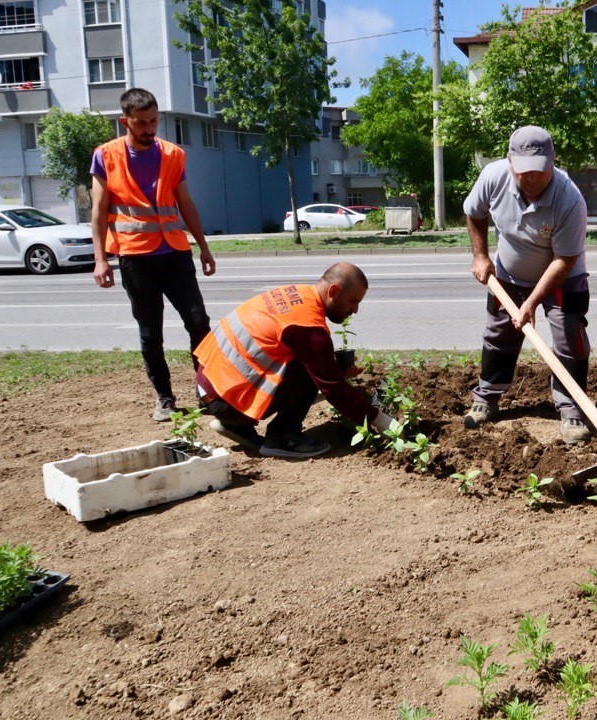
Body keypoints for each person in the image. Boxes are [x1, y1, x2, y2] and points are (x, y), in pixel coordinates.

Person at [90, 87, 216, 421]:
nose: (149, 129)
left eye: (154, 121)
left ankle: (207, 390)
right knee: (151, 332)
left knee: (199, 321)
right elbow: (99, 209)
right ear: (125, 121)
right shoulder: (106, 156)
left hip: (174, 253)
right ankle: (164, 398)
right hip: (135, 258)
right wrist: (100, 258)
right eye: (142, 123)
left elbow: (185, 203)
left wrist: (203, 247)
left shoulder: (173, 155)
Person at [462, 126, 593, 445]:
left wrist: (531, 303)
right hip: (508, 273)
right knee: (498, 334)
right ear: (509, 162)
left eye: (540, 171)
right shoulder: (493, 177)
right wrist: (480, 256)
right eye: (524, 172)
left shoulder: (569, 198)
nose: (532, 179)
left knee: (568, 340)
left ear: (553, 162)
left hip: (564, 277)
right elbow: (473, 212)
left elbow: (564, 260)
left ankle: (572, 409)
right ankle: (486, 399)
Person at [193, 262, 396, 459]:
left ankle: (235, 425)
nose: (355, 311)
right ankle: (282, 438)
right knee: (307, 368)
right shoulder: (308, 327)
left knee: (312, 361)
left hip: (208, 388)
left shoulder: (295, 294)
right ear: (333, 291)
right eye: (353, 301)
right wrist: (383, 421)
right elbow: (334, 390)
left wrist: (335, 372)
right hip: (225, 402)